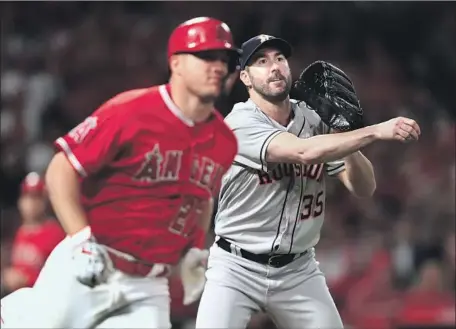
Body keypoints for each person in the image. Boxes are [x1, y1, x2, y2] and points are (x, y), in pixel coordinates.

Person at [0, 17, 240, 329]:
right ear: (176, 63)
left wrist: (194, 248)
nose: (218, 66)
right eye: (206, 56)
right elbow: (61, 168)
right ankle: (17, 311)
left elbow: (203, 196)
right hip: (93, 260)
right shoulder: (132, 110)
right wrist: (80, 238)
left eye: (225, 58)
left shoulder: (224, 141)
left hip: (149, 285)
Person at [195, 34, 421, 329]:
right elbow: (302, 152)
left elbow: (364, 187)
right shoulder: (239, 123)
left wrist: (342, 133)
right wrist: (375, 131)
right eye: (261, 62)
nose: (274, 67)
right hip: (236, 266)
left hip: (298, 271)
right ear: (246, 78)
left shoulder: (313, 118)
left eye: (279, 59)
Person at [1, 172, 64, 295]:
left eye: (36, 198)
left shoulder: (55, 233)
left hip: (42, 298)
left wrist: (29, 279)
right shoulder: (18, 231)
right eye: (27, 197)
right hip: (17, 299)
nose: (30, 204)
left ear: (44, 202)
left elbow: (61, 275)